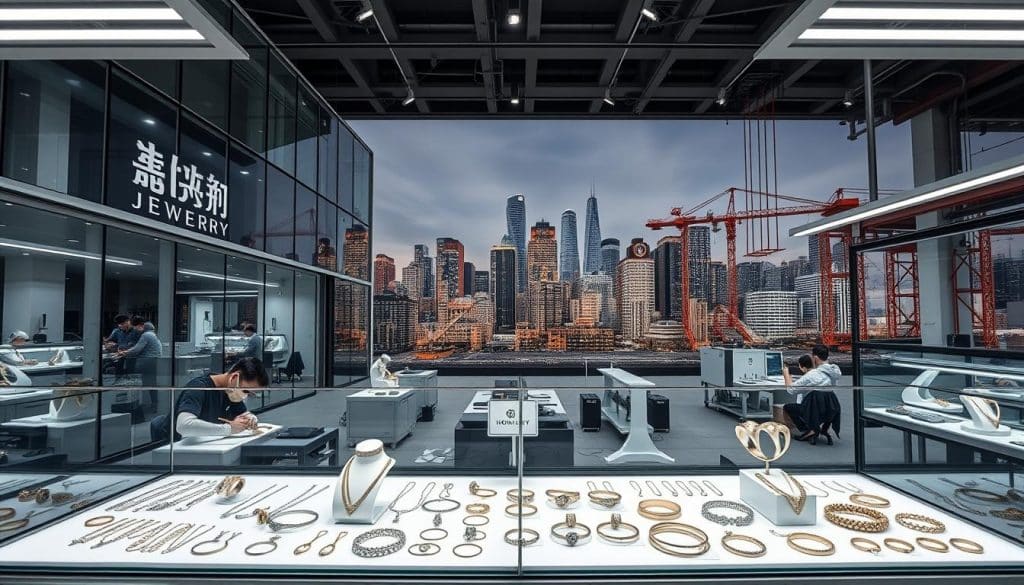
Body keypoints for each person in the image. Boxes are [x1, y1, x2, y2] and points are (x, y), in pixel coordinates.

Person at [150, 357, 269, 442]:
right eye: (246, 391)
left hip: (203, 445)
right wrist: (229, 429)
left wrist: (250, 418)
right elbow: (184, 426)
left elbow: (243, 413)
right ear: (234, 377)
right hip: (176, 447)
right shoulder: (199, 387)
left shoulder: (230, 391)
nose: (245, 396)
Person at [782, 344, 842, 445]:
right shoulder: (834, 371)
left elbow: (791, 390)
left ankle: (809, 430)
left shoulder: (813, 374)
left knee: (788, 407)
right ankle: (820, 428)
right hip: (830, 409)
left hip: (814, 410)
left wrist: (786, 375)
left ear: (815, 358)